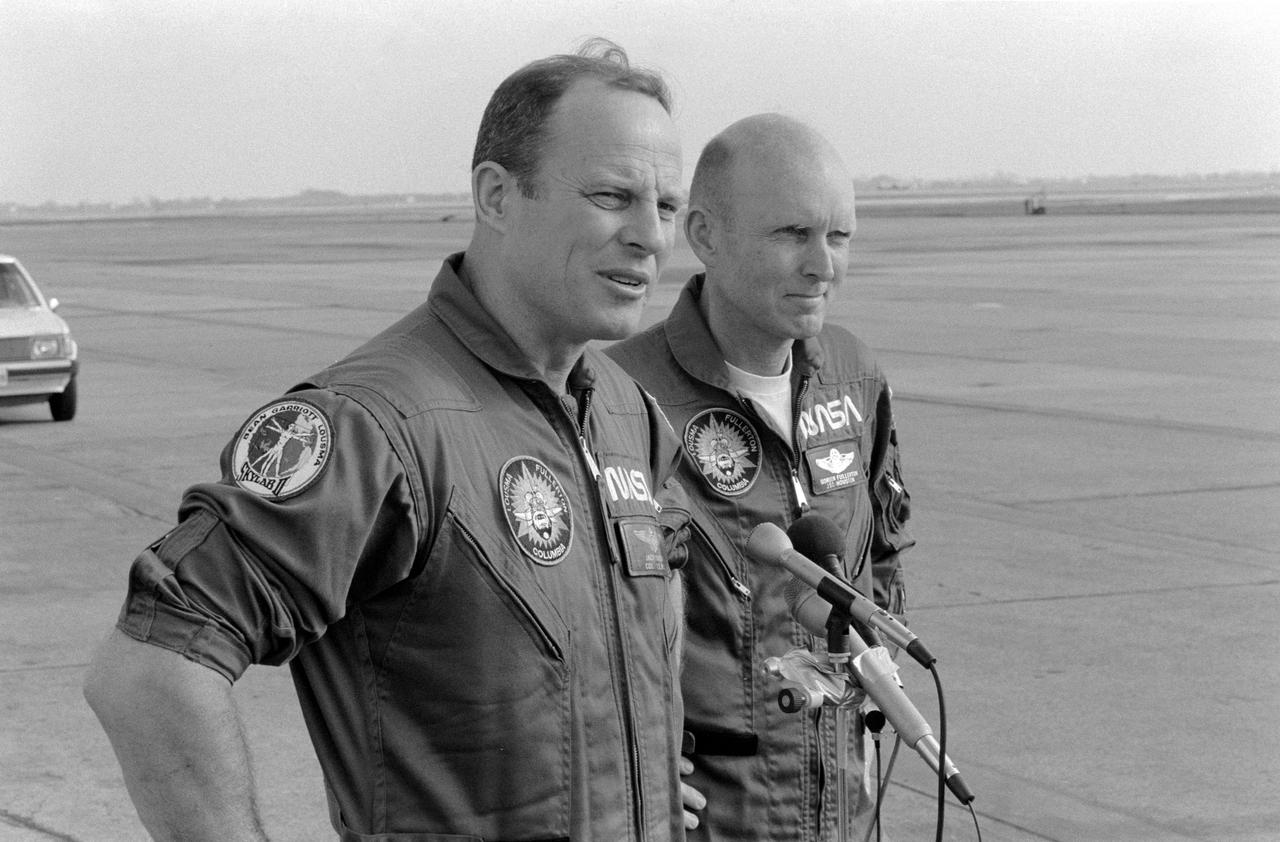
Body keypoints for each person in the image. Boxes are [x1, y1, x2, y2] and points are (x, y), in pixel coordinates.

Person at [84, 39, 698, 842]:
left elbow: (656, 607)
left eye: (667, 207)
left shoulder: (626, 414)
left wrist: (649, 769)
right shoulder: (373, 425)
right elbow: (147, 673)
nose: (650, 236)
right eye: (613, 196)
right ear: (497, 196)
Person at [607, 113, 915, 841]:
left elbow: (883, 555)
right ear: (705, 236)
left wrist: (877, 687)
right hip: (711, 817)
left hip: (841, 808)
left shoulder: (853, 375)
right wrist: (630, 760)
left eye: (839, 236)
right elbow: (587, 621)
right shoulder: (618, 397)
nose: (822, 265)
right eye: (792, 234)